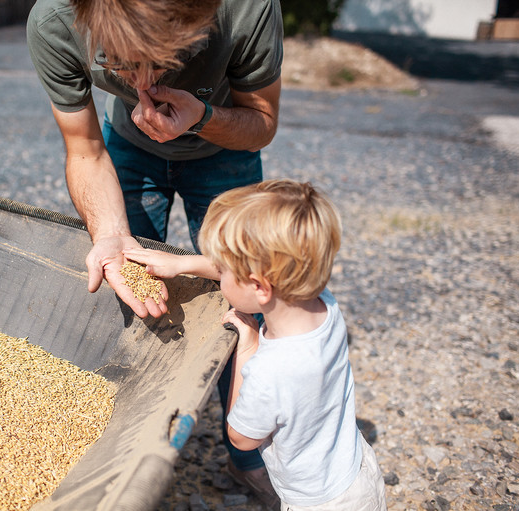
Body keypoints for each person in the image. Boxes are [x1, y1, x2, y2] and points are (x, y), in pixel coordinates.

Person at [27, 0, 283, 502]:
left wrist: (203, 117)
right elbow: (83, 149)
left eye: (161, 65)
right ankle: (122, 447)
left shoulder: (246, 9)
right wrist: (109, 236)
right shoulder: (55, 21)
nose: (142, 86)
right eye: (122, 68)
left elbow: (263, 121)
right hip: (126, 148)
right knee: (126, 291)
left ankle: (248, 454)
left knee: (249, 299)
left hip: (225, 151)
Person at [124, 179, 388, 510]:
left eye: (223, 269)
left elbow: (241, 436)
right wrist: (182, 263)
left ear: (260, 287)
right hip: (358, 470)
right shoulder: (323, 304)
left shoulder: (271, 369)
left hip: (318, 501)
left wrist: (247, 346)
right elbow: (250, 273)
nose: (218, 272)